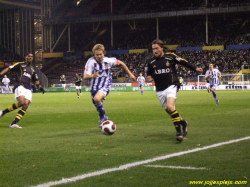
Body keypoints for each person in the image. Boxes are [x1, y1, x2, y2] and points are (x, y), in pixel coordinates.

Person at [146, 39, 203, 142]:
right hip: (159, 89)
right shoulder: (150, 61)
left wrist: (195, 68)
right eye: (153, 49)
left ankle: (179, 133)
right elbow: (149, 74)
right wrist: (149, 77)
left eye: (157, 48)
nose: (155, 51)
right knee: (170, 111)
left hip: (172, 85)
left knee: (170, 106)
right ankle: (183, 122)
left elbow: (183, 62)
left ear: (162, 48)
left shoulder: (170, 57)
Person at [84, 44, 136, 127]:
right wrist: (92, 76)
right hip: (94, 87)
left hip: (106, 84)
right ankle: (104, 117)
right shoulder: (90, 62)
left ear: (103, 53)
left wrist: (130, 74)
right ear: (94, 54)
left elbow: (121, 63)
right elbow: (85, 76)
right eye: (97, 55)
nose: (99, 56)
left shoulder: (108, 61)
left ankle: (102, 119)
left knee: (97, 99)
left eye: (101, 54)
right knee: (97, 102)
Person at [0, 53, 43, 128]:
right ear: (26, 57)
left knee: (25, 105)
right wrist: (1, 74)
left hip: (28, 89)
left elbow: (36, 79)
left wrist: (40, 86)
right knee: (22, 102)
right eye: (28, 56)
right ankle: (3, 112)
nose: (30, 57)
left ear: (33, 58)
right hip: (20, 85)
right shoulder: (20, 64)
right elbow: (9, 68)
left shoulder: (32, 69)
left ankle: (14, 123)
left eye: (31, 56)